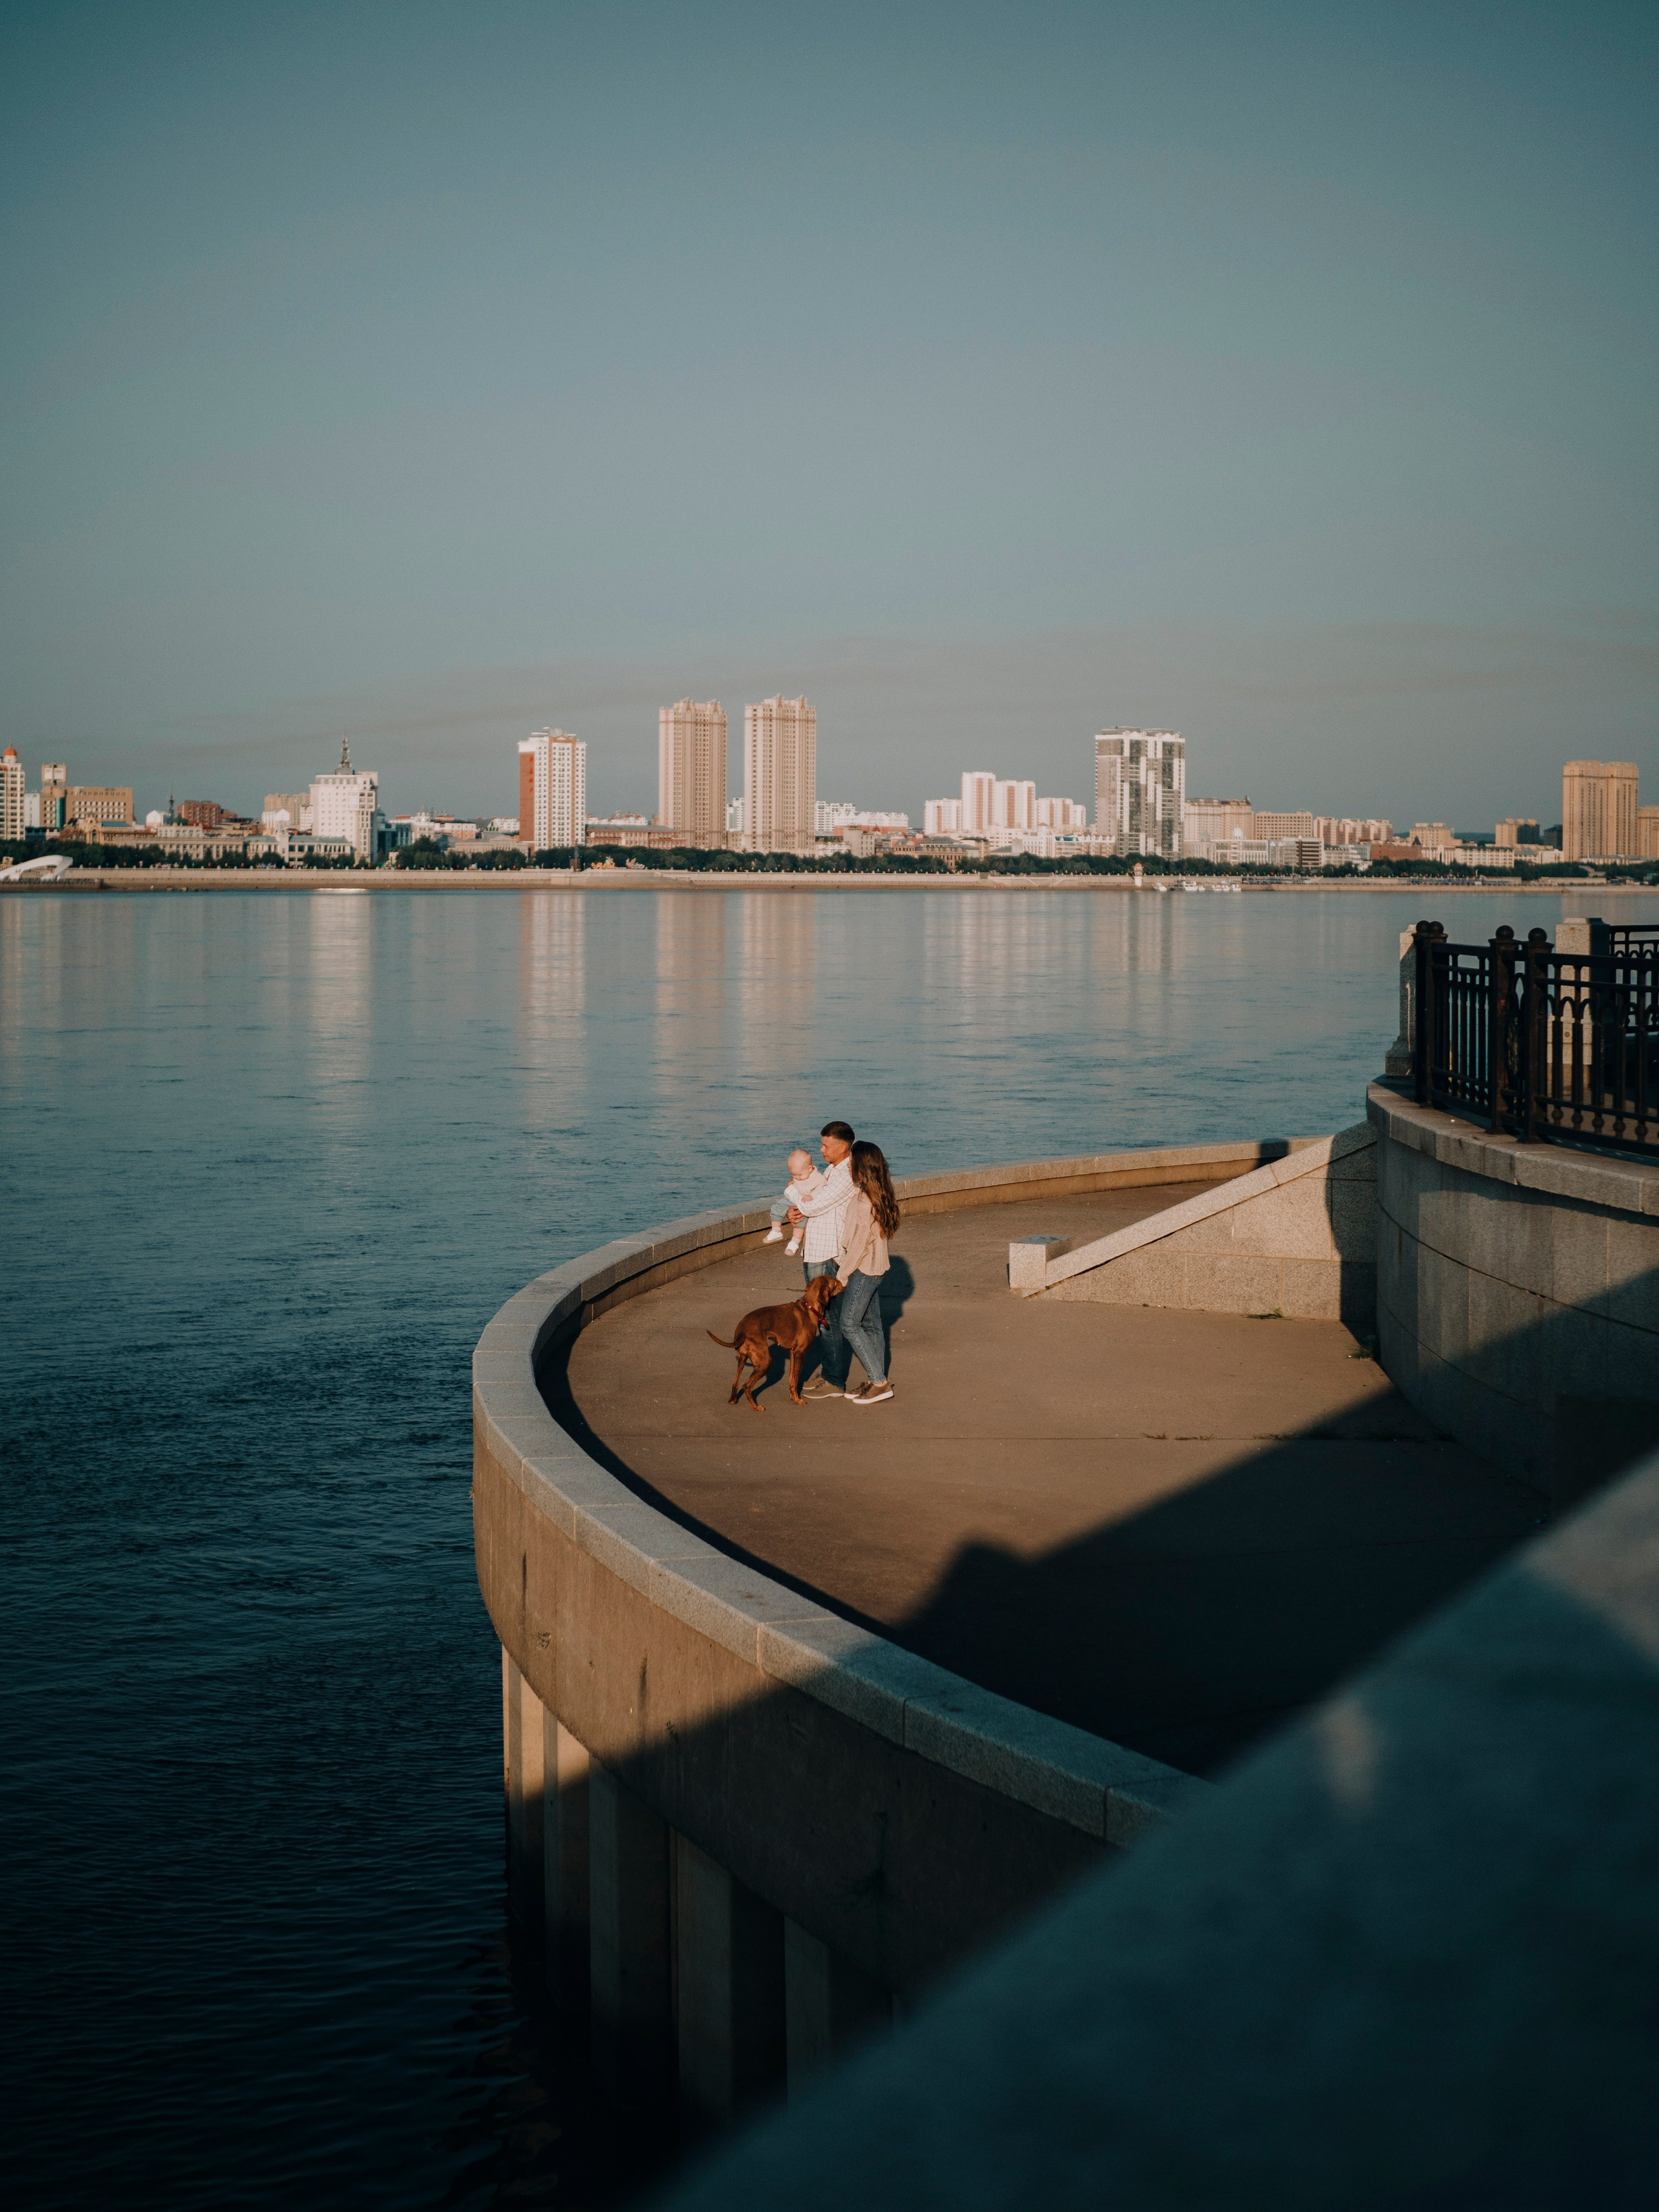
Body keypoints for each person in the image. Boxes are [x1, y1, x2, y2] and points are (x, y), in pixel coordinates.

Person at [790, 1121, 856, 1400]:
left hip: (827, 1253)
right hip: (816, 1249)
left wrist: (791, 1191)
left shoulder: (846, 1174)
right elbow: (812, 1206)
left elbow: (815, 1205)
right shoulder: (831, 1170)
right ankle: (831, 1372)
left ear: (843, 1147)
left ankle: (834, 1380)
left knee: (827, 1319)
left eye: (826, 1145)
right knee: (823, 1318)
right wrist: (796, 1212)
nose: (821, 1150)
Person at [833, 1140, 900, 1405]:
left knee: (849, 1324)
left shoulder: (864, 1201)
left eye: (852, 1161)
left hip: (863, 1270)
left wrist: (842, 1275)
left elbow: (859, 1246)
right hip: (875, 1269)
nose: (849, 1165)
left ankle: (880, 1383)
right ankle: (876, 1379)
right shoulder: (877, 1192)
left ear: (861, 1166)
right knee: (872, 1326)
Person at [763, 1148, 822, 1255]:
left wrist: (812, 1195)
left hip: (806, 1202)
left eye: (800, 1175)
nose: (797, 1178)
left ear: (810, 1169)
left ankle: (795, 1242)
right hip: (795, 1199)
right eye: (794, 1175)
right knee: (778, 1206)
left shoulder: (818, 1178)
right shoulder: (800, 1174)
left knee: (800, 1221)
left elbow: (822, 1189)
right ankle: (776, 1230)